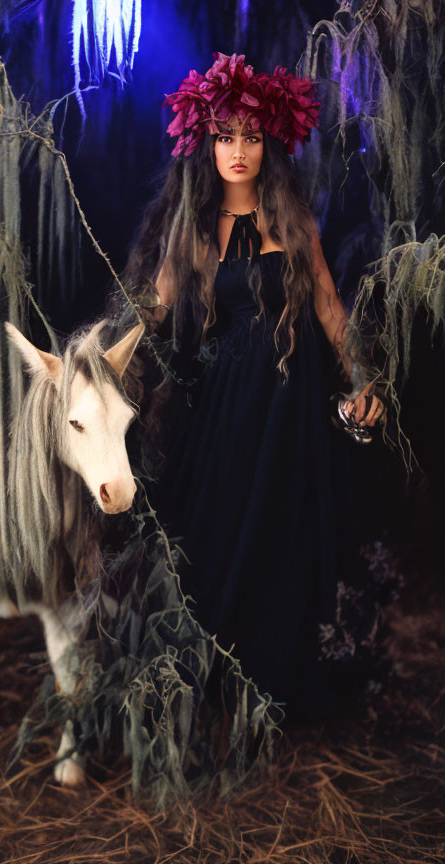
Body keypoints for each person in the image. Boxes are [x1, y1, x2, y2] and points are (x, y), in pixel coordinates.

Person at [123, 53, 385, 721]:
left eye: (250, 136)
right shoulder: (193, 228)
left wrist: (361, 375)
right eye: (224, 137)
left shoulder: (293, 221)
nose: (238, 151)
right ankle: (214, 686)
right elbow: (152, 308)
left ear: (269, 142)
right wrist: (106, 356)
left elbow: (329, 308)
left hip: (290, 408)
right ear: (206, 145)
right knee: (221, 534)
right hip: (228, 407)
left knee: (286, 534)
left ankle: (280, 688)